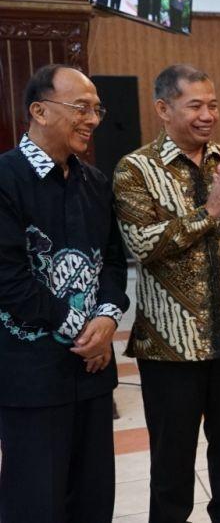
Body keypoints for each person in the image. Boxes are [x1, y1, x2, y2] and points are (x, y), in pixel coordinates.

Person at [113, 64, 220, 523]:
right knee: (172, 468)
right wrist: (211, 211)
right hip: (170, 349)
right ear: (163, 109)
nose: (207, 115)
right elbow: (142, 245)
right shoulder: (135, 170)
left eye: (212, 104)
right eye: (194, 105)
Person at [0, 64, 129, 522]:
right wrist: (84, 332)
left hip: (92, 376)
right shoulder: (6, 178)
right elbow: (9, 279)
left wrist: (108, 319)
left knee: (93, 501)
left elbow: (114, 260)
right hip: (31, 376)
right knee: (35, 502)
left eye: (97, 109)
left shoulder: (94, 182)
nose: (92, 119)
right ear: (39, 110)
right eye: (80, 108)